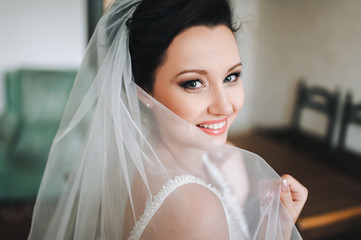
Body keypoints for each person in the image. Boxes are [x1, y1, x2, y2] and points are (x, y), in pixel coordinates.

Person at [28, 0, 307, 239]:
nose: (224, 106)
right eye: (194, 83)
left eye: (231, 77)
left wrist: (277, 223)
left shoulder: (142, 155)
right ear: (144, 91)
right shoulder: (198, 212)